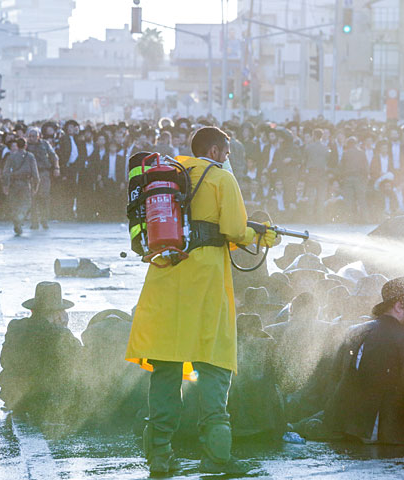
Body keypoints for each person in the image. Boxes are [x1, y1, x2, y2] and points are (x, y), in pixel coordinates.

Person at [125, 126, 279, 475]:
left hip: (165, 277)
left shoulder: (170, 178)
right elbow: (235, 230)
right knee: (213, 367)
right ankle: (217, 457)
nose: (228, 158)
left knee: (165, 369)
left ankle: (160, 457)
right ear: (215, 149)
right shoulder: (221, 178)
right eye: (226, 151)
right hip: (205, 283)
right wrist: (263, 234)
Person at [323, 277, 404, 448]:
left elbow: (335, 377)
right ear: (399, 307)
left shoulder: (356, 330)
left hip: (347, 428)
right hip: (378, 432)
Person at [0, 281, 82, 428]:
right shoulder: (59, 334)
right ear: (58, 313)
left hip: (14, 397)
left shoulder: (15, 327)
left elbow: (4, 361)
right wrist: (64, 328)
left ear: (33, 310)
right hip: (47, 402)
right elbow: (80, 363)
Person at [2, 138, 40, 236]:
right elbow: (35, 173)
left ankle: (16, 221)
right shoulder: (30, 157)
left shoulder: (11, 156)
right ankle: (20, 219)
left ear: (17, 146)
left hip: (14, 183)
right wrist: (36, 185)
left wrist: (5, 185)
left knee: (14, 204)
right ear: (25, 145)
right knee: (26, 203)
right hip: (25, 183)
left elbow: (5, 172)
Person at [27, 127, 59, 229]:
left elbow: (54, 156)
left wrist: (56, 168)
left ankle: (44, 220)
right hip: (31, 175)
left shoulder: (45, 144)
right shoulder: (26, 146)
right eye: (30, 136)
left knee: (44, 197)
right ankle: (34, 222)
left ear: (39, 136)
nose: (31, 138)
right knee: (33, 199)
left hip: (43, 173)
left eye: (33, 136)